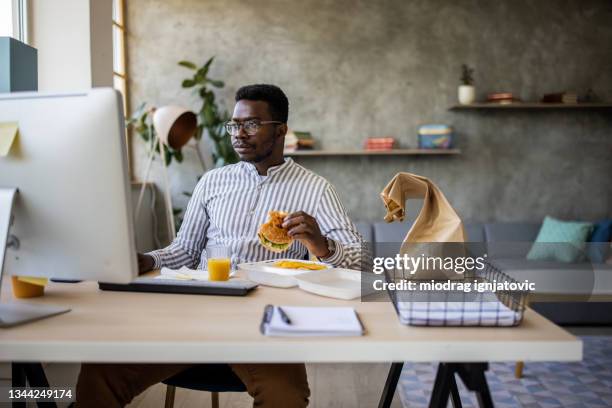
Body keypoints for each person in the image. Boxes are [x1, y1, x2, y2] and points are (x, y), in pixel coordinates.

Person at [76, 84, 363, 407]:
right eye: (234, 124)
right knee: (100, 371)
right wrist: (145, 260)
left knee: (287, 396)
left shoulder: (316, 189)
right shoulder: (213, 181)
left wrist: (321, 244)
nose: (238, 133)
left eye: (251, 124)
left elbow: (360, 260)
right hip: (195, 314)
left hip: (263, 324)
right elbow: (184, 251)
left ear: (281, 130)